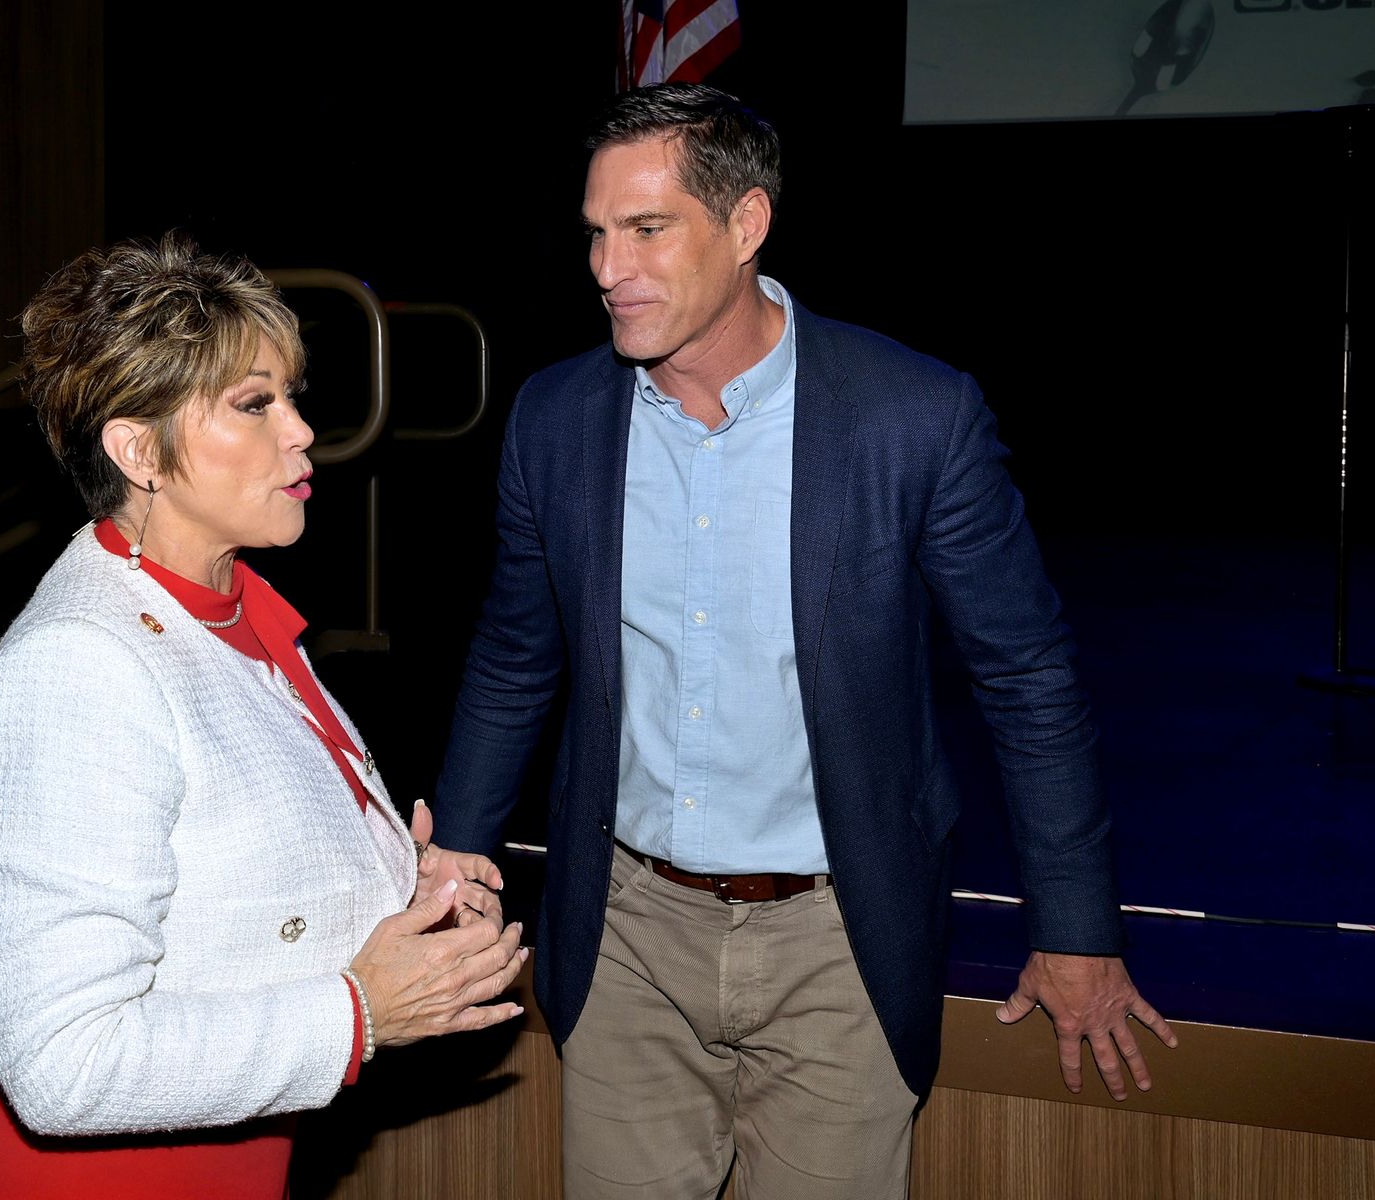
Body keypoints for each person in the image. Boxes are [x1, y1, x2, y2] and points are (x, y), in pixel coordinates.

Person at [431, 83, 1177, 1198]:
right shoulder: (556, 417)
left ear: (747, 225)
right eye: (596, 232)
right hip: (626, 935)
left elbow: (1027, 678)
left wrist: (1076, 928)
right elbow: (513, 656)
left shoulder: (911, 416)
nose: (606, 267)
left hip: (838, 942)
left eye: (646, 229)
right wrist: (457, 855)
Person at [0, 233, 526, 1199]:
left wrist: (403, 882)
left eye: (290, 398)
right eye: (254, 405)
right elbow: (60, 1061)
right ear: (139, 450)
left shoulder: (234, 607)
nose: (300, 431)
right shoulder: (79, 665)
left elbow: (231, 881)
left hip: (241, 1157)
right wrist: (360, 1014)